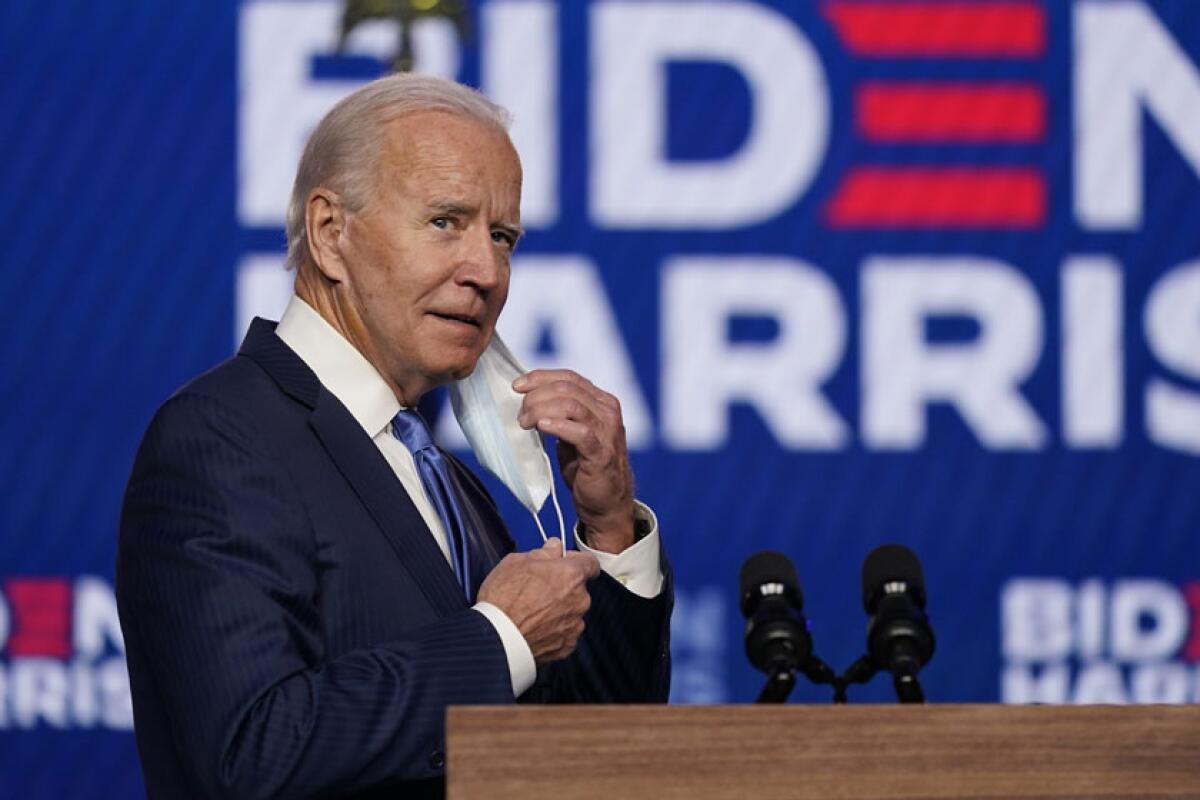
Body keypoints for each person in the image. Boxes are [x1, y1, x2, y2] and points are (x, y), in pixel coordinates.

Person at [116, 73, 671, 799]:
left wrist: (608, 526)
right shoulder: (219, 439)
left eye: (502, 237)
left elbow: (592, 756)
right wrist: (498, 637)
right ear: (329, 234)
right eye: (446, 221)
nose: (486, 273)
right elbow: (249, 755)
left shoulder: (447, 478)